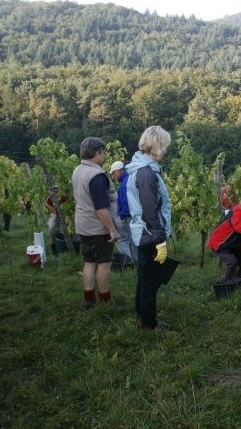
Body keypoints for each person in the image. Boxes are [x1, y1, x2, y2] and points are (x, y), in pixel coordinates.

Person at [126, 126, 173, 333]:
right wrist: (159, 238)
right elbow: (150, 210)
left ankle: (142, 318)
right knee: (150, 282)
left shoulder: (143, 168)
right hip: (150, 234)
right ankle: (150, 325)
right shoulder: (146, 173)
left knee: (144, 278)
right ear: (157, 145)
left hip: (144, 233)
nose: (166, 150)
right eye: (165, 145)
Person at [72, 137, 121, 310]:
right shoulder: (96, 176)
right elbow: (101, 208)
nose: (104, 155)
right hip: (98, 227)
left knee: (89, 262)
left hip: (83, 225)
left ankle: (89, 299)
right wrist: (112, 229)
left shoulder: (78, 170)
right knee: (104, 263)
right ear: (96, 153)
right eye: (103, 152)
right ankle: (105, 300)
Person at [208, 192, 241, 282]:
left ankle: (239, 283)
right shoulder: (238, 210)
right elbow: (239, 227)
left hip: (233, 244)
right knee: (232, 262)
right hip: (220, 242)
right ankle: (227, 285)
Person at [110, 160, 135, 262]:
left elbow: (125, 203)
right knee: (133, 239)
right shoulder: (130, 179)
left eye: (114, 173)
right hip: (133, 215)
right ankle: (136, 261)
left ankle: (127, 262)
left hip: (127, 216)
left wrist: (121, 217)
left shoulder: (125, 184)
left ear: (119, 171)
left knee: (121, 240)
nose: (113, 175)